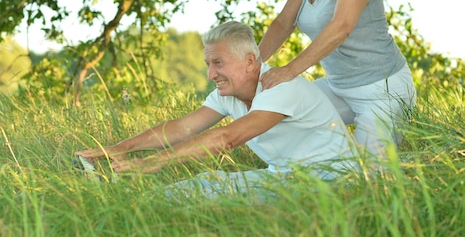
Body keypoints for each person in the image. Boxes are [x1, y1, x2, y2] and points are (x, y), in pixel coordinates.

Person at [76, 21, 359, 199]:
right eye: (208, 64)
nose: (211, 73)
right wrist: (119, 147)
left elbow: (227, 139)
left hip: (332, 180)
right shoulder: (229, 93)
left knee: (205, 193)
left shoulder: (281, 88)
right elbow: (183, 128)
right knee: (199, 187)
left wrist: (154, 162)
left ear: (250, 61)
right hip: (286, 177)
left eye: (218, 63)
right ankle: (126, 204)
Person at [258, 0, 417, 160]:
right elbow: (283, 23)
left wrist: (289, 70)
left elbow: (341, 27)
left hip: (382, 90)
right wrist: (252, 66)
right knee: (277, 111)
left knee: (369, 177)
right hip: (338, 87)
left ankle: (418, 165)